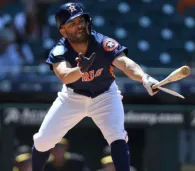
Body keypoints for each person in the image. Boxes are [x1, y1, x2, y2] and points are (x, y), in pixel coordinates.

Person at [31, 2, 159, 171]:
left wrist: (144, 78)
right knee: (42, 141)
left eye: (81, 21)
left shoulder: (102, 43)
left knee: (117, 136)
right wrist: (81, 69)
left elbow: (126, 64)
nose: (79, 26)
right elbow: (64, 76)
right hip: (72, 97)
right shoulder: (59, 50)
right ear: (63, 30)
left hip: (105, 95)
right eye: (72, 23)